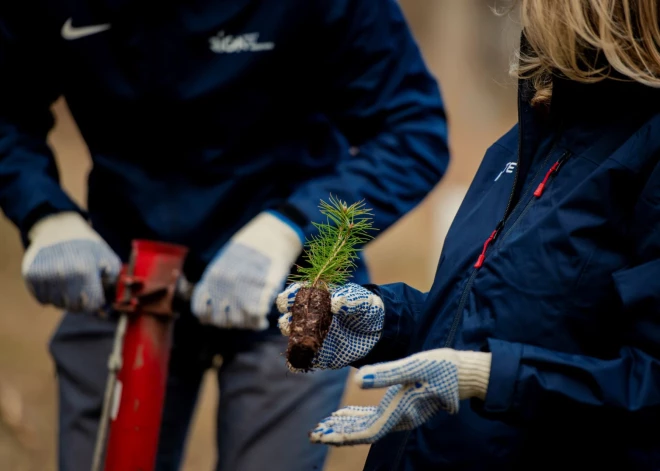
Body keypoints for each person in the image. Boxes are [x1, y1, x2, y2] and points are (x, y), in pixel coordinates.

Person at [0, 1, 450, 470]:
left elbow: (412, 132)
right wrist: (44, 212)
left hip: (291, 280)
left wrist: (290, 228)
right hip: (122, 272)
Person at [277, 0, 660, 469]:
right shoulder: (530, 141)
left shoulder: (646, 157)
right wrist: (388, 322)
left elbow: (649, 385)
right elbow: (500, 316)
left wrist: (487, 377)